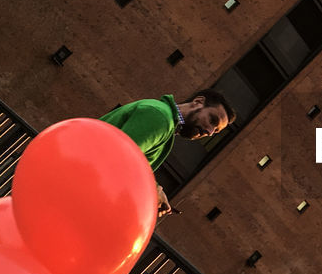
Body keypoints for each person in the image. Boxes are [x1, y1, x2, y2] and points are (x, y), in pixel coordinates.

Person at [100, 89, 236, 216]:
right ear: (198, 102)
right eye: (212, 120)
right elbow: (116, 156)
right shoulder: (161, 117)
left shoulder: (164, 118)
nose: (210, 131)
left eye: (215, 131)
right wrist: (152, 190)